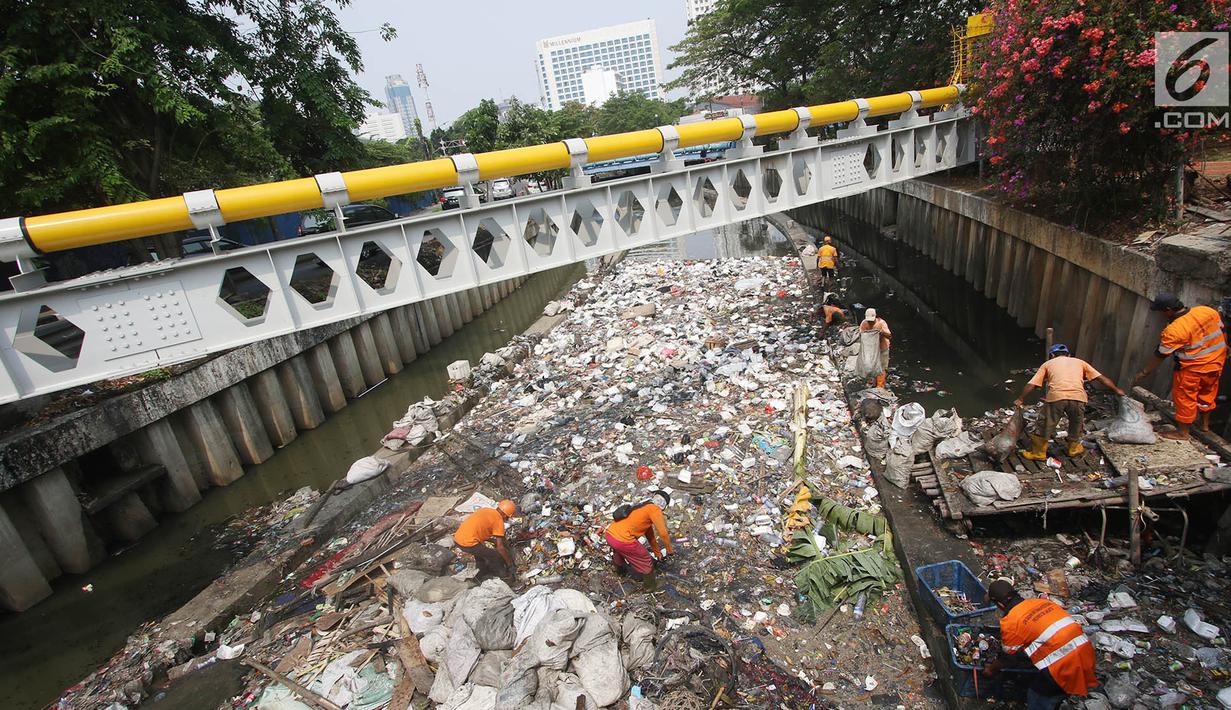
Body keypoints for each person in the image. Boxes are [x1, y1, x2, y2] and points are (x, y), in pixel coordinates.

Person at [983, 579, 1098, 709]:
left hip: (1064, 665)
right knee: (1056, 693)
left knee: (1037, 697)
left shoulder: (1010, 622)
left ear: (1000, 604)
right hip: (1086, 652)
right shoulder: (1043, 602)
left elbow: (1009, 657)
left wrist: (991, 670)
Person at [1135, 293, 1227, 440]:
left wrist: (1145, 372)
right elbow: (1222, 331)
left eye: (1160, 311)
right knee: (1207, 395)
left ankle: (1183, 432)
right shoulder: (1206, 311)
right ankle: (1204, 426)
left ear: (1168, 309)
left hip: (1193, 369)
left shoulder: (1174, 330)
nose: (1160, 315)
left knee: (1185, 399)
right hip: (1215, 363)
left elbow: (1161, 354)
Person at [1015, 343, 1125, 459]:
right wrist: (1116, 390)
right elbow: (1101, 378)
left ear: (1052, 355)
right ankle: (1073, 449)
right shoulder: (1080, 362)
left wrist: (1020, 398)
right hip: (1078, 397)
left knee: (1046, 424)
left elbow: (1032, 384)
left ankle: (1038, 453)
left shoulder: (1047, 364)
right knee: (1076, 423)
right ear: (1068, 355)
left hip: (1057, 397)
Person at [605, 490, 673, 592]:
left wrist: (658, 553)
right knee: (646, 560)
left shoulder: (643, 507)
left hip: (610, 534)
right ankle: (650, 587)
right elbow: (663, 533)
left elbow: (650, 536)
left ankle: (620, 572)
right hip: (622, 540)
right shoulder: (655, 509)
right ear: (664, 506)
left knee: (619, 552)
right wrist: (669, 551)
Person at [453, 499, 518, 582]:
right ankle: (505, 577)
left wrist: (493, 541)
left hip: (458, 538)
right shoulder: (498, 520)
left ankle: (480, 574)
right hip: (468, 543)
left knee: (480, 554)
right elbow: (500, 548)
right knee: (495, 555)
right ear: (506, 516)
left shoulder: (486, 510)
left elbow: (480, 529)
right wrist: (510, 564)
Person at [858, 308, 892, 388]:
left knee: (882, 368)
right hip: (871, 349)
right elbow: (861, 335)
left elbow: (889, 336)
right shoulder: (864, 323)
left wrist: (881, 332)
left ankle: (880, 387)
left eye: (871, 321)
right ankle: (872, 383)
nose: (870, 322)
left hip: (882, 348)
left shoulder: (881, 323)